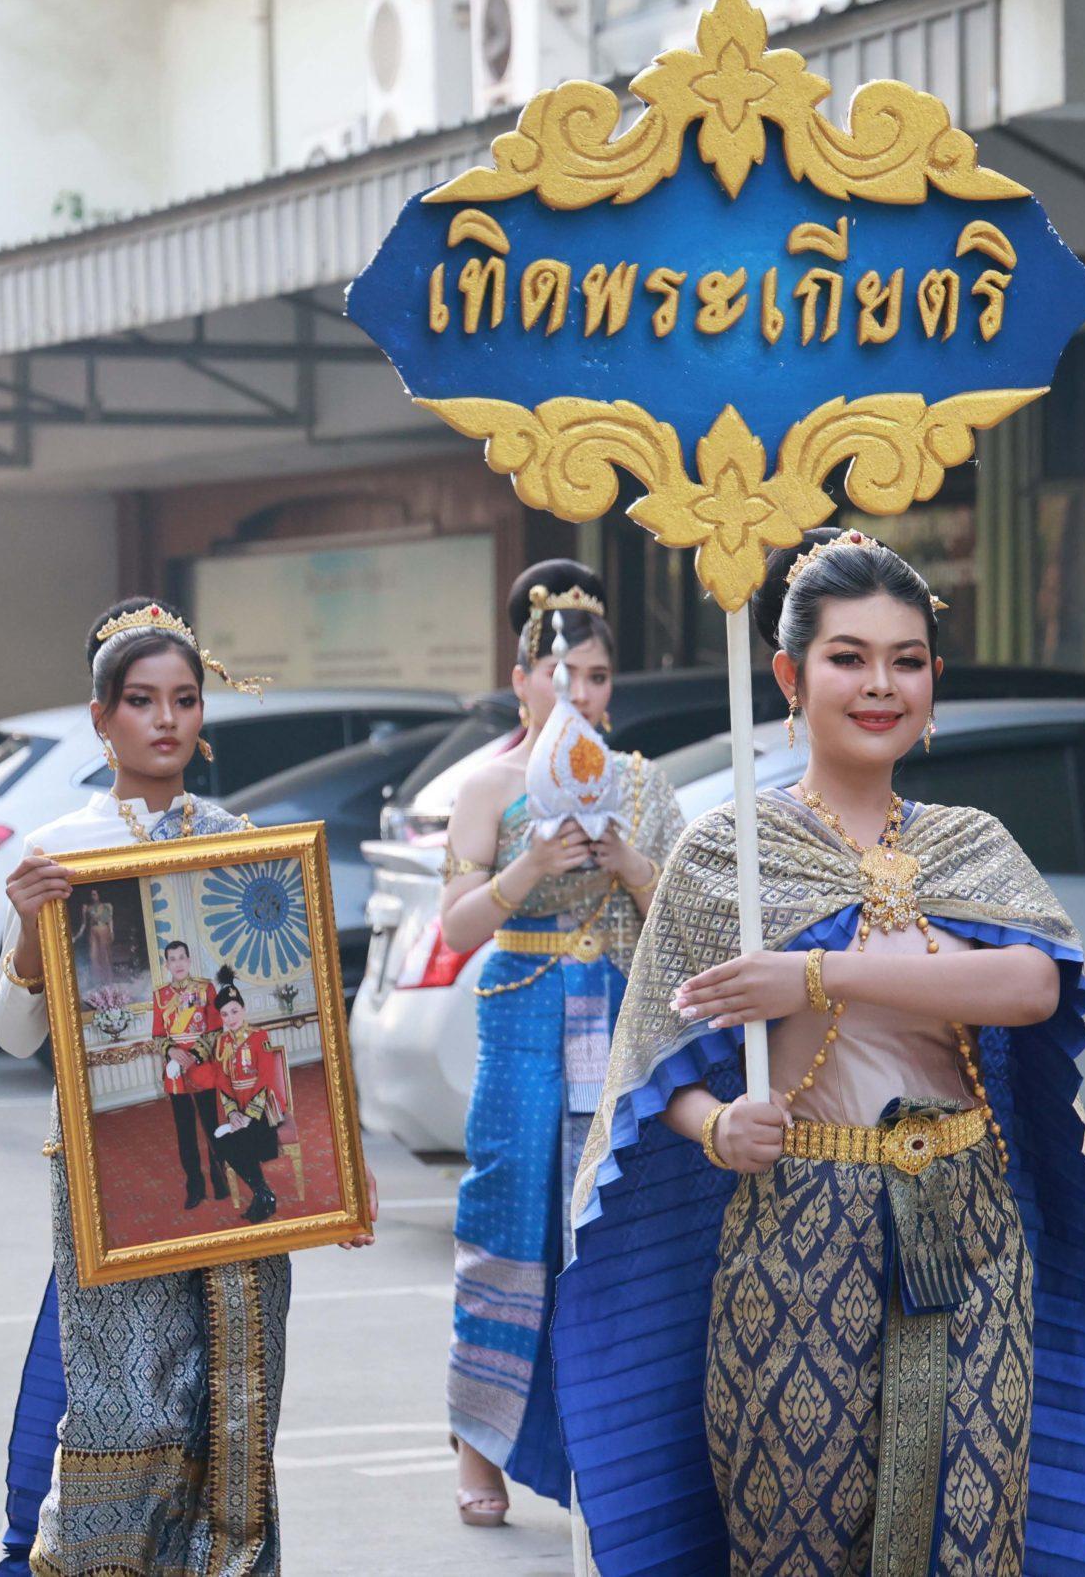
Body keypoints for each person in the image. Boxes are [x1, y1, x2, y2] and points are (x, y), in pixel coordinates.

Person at [554, 530, 1085, 1576]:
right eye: (848, 657)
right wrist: (719, 1126)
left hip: (969, 1223)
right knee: (800, 1532)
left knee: (971, 1527)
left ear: (932, 680)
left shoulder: (971, 843)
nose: (880, 686)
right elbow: (650, 1058)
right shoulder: (729, 852)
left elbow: (1033, 985)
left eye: (906, 661)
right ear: (789, 675)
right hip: (798, 1229)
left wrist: (817, 976)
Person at [0, 597, 376, 1577]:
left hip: (236, 1161)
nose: (166, 719)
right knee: (122, 1399)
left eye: (185, 699)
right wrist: (29, 931)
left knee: (233, 1401)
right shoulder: (57, 850)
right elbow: (14, 1031)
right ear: (100, 716)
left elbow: (294, 1019)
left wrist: (338, 1167)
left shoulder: (245, 847)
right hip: (110, 1169)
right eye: (141, 700)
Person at [435, 559, 683, 1527]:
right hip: (524, 1010)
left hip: (617, 1010)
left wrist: (629, 861)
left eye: (596, 676)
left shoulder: (643, 785)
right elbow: (457, 926)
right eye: (558, 673)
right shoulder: (489, 786)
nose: (577, 692)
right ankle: (479, 1443)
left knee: (612, 1222)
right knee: (507, 1215)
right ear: (521, 680)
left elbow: (686, 926)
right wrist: (530, 865)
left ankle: (611, 1454)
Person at [150, 938, 231, 1209]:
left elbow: (215, 1029)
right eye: (172, 959)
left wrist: (194, 1056)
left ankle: (220, 1180)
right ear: (167, 965)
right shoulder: (160, 996)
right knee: (185, 1132)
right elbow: (157, 1035)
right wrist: (172, 1052)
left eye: (181, 957)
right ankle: (195, 1186)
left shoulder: (205, 988)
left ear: (189, 960)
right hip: (176, 1073)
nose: (178, 963)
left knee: (211, 1127)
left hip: (202, 1067)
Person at [209, 968, 285, 1223]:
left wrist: (249, 1115)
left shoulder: (258, 1037)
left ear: (243, 1009)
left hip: (263, 1110)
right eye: (224, 1014)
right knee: (220, 1140)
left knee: (240, 1139)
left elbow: (266, 1078)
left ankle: (262, 1196)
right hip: (238, 1109)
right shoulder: (221, 1043)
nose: (230, 1018)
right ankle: (263, 1193)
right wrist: (232, 1113)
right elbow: (222, 1079)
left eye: (234, 1011)